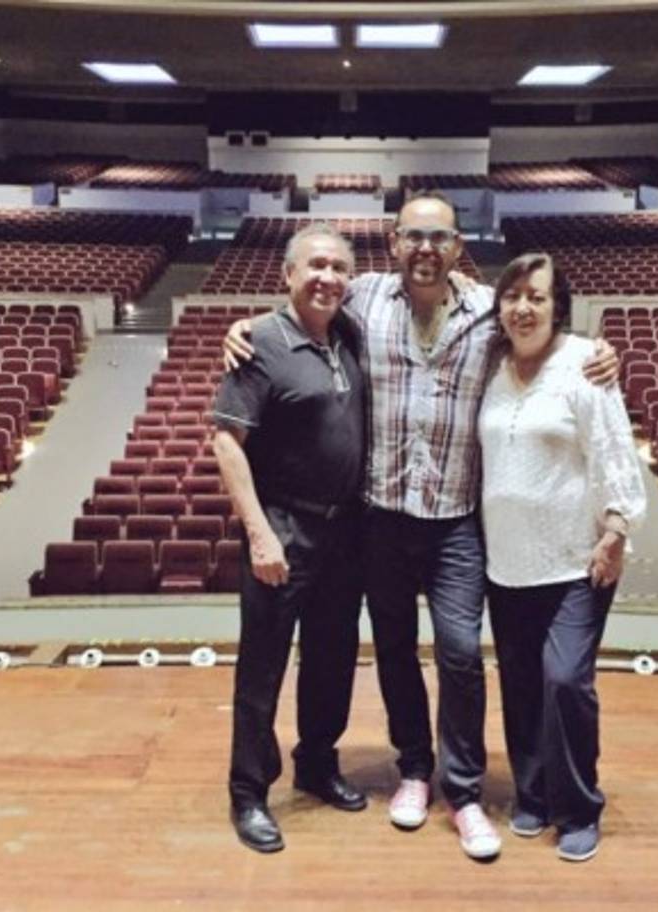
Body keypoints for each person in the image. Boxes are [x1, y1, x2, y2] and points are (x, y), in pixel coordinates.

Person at [223, 193, 619, 860]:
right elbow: (302, 304)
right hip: (379, 518)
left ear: (459, 246)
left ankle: (461, 788)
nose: (426, 248)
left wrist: (601, 351)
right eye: (413, 236)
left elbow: (542, 329)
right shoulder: (365, 299)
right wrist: (244, 324)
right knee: (395, 651)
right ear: (394, 242)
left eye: (439, 237)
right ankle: (413, 769)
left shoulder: (490, 311)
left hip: (455, 519)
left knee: (461, 653)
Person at [479, 252, 646, 863]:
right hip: (507, 561)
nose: (523, 307)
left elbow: (612, 447)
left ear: (558, 307)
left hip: (578, 559)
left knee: (566, 682)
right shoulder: (491, 364)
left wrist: (617, 528)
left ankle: (578, 808)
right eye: (513, 295)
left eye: (537, 297)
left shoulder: (583, 364)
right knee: (521, 685)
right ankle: (532, 794)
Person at [213, 223, 367, 854]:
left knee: (332, 659)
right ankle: (248, 793)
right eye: (314, 265)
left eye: (338, 266)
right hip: (283, 528)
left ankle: (317, 761)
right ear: (288, 275)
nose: (327, 276)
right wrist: (259, 535)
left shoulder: (353, 335)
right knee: (262, 669)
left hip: (347, 531)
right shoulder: (259, 343)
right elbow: (226, 442)